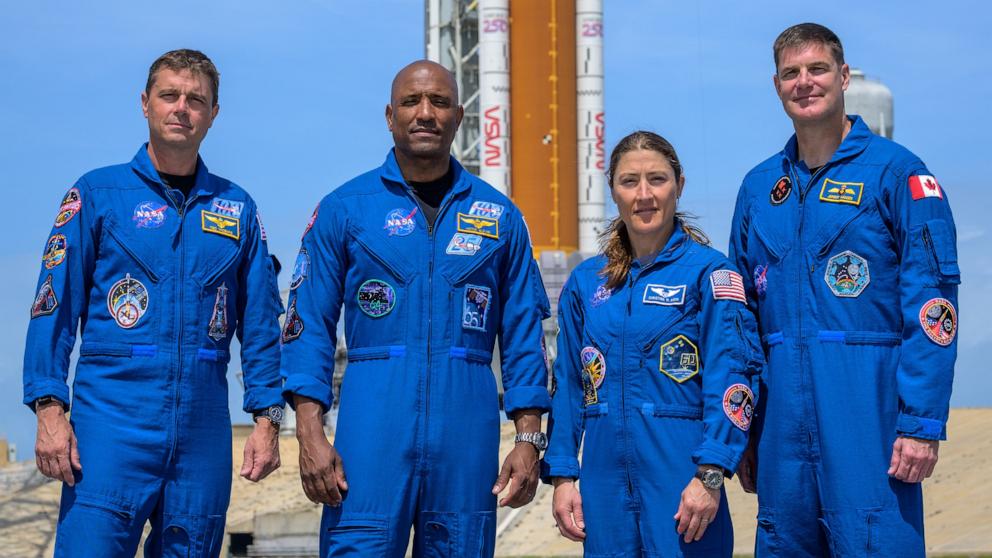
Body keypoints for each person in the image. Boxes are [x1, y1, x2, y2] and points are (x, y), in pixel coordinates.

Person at [280, 60, 551, 557]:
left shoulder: (499, 217)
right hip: (370, 426)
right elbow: (307, 325)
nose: (425, 113)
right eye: (411, 102)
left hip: (466, 430)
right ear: (389, 115)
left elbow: (523, 336)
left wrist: (529, 439)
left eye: (439, 102)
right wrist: (310, 432)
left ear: (459, 116)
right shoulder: (346, 208)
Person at [23, 49, 285, 557]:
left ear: (213, 113)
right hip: (111, 427)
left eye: (196, 99)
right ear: (145, 103)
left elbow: (260, 326)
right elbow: (52, 306)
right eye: (169, 95)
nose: (181, 108)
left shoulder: (237, 209)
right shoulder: (98, 193)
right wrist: (49, 408)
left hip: (202, 434)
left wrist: (267, 419)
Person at [729, 23, 959, 556]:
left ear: (843, 76)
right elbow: (738, 320)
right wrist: (743, 426)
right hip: (781, 422)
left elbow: (933, 303)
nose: (804, 82)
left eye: (817, 69)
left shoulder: (898, 174)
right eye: (791, 73)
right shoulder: (760, 188)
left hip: (867, 414)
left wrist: (921, 423)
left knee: (875, 542)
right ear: (776, 84)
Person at [543, 131, 763, 557]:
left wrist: (711, 475)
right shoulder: (587, 284)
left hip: (684, 482)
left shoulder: (711, 275)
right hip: (605, 487)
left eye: (657, 180)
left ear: (679, 186)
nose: (644, 195)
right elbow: (569, 385)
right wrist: (564, 475)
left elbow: (734, 377)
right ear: (613, 191)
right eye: (629, 181)